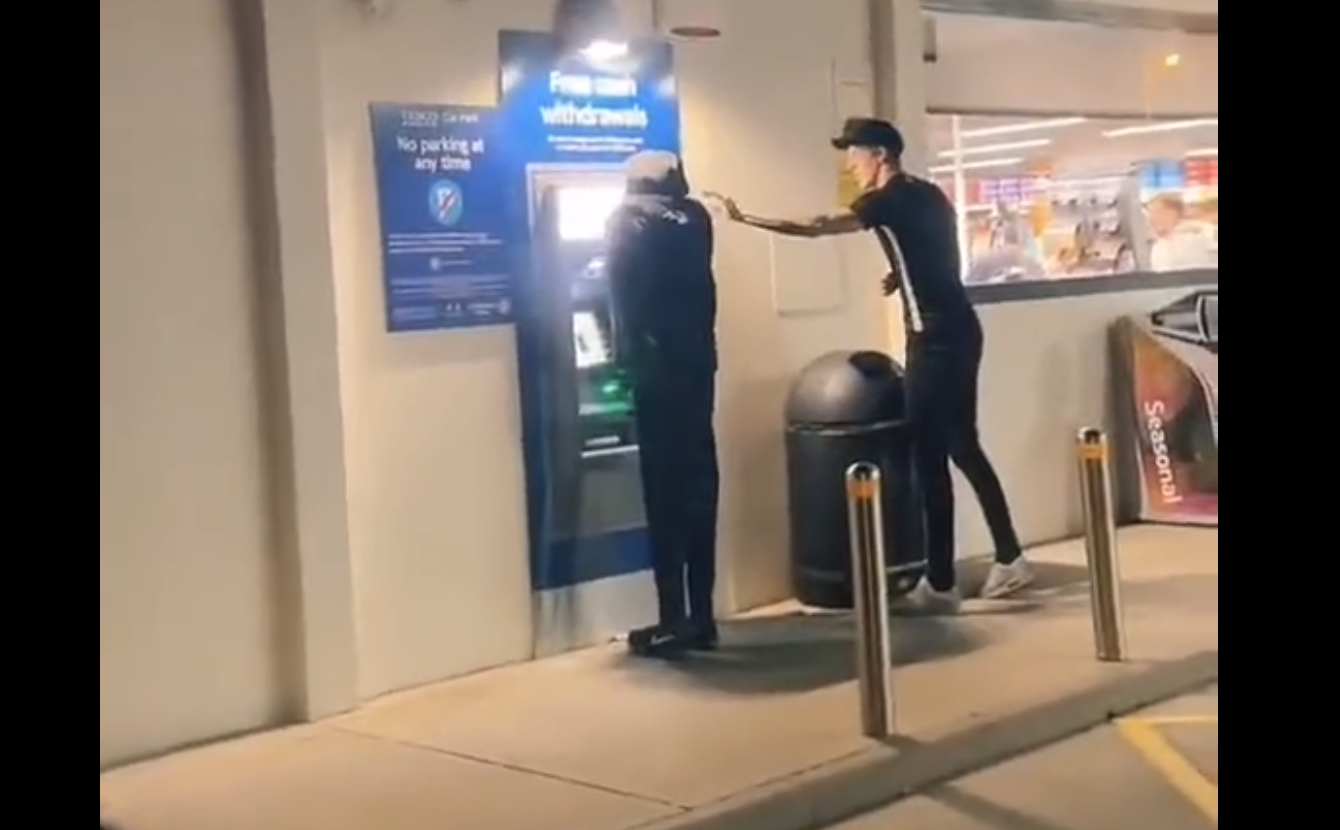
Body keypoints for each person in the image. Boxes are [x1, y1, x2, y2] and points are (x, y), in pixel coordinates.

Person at [709, 117, 1031, 612]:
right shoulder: (927, 194)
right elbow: (938, 252)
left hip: (933, 340)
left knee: (930, 458)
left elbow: (818, 226)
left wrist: (744, 218)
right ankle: (1006, 558)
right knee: (963, 447)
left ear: (880, 155)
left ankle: (943, 581)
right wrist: (900, 275)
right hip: (961, 331)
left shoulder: (887, 199)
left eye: (855, 154)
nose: (850, 165)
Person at [605, 150, 720, 656]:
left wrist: (623, 364)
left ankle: (672, 618)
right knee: (700, 489)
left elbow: (623, 302)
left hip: (657, 375)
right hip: (698, 367)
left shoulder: (627, 220)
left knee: (664, 493)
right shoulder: (697, 217)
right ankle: (703, 616)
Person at [1147, 193, 1216, 272]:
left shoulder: (1198, 236)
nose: (1152, 217)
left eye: (1158, 211)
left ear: (1175, 213)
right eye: (1151, 212)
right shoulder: (1158, 247)